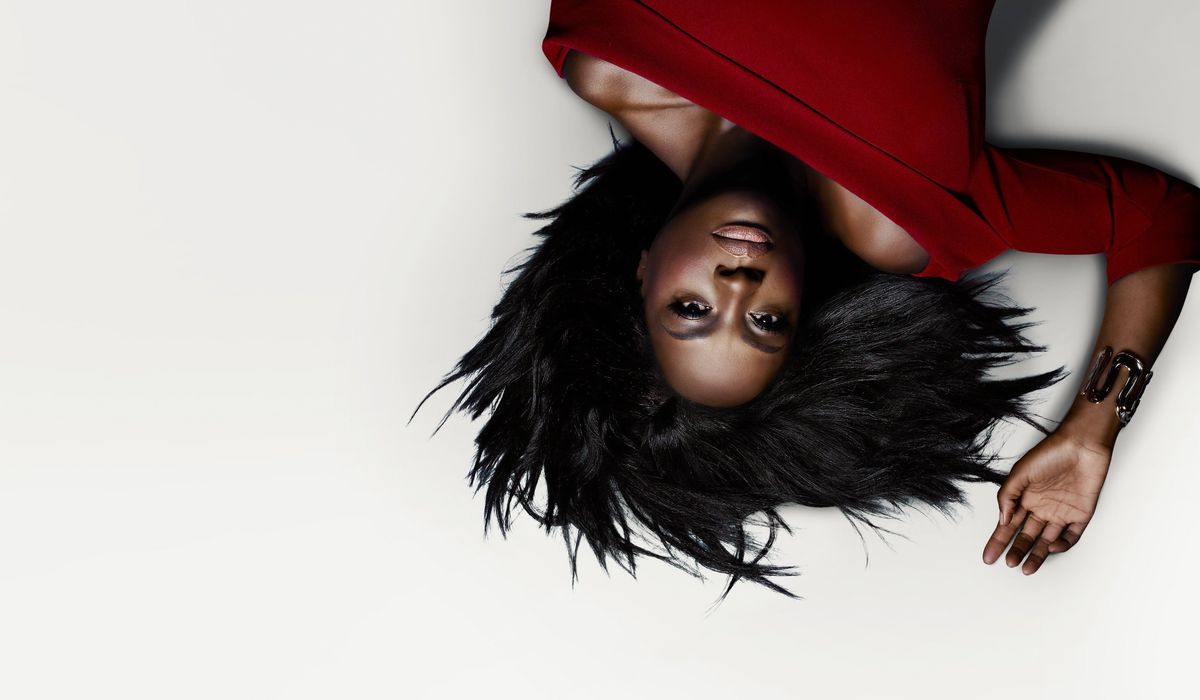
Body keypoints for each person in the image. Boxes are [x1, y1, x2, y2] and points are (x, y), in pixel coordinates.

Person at [422, 1, 1200, 595]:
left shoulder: (608, 44)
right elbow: (1159, 219)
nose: (737, 286)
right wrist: (1092, 428)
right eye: (766, 322)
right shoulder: (913, 221)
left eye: (690, 310)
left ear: (642, 271)